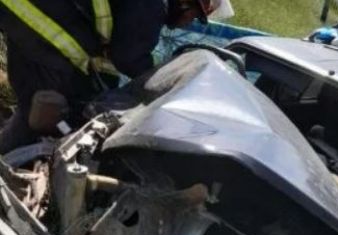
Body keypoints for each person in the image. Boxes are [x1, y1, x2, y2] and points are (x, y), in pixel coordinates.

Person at [0, 0, 233, 154]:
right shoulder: (153, 7)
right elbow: (128, 57)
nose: (188, 22)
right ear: (184, 2)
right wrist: (165, 79)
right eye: (194, 15)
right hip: (44, 22)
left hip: (31, 13)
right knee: (43, 113)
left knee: (32, 100)